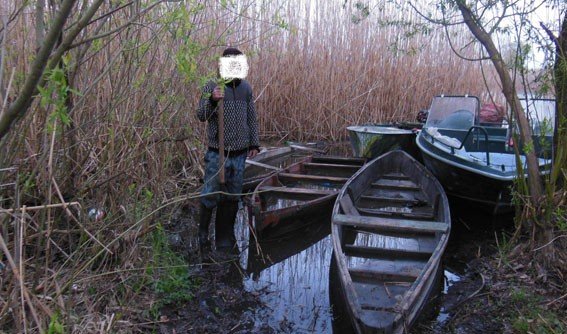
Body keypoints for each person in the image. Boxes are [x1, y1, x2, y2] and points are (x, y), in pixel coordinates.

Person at [196, 47, 260, 254]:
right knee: (210, 194)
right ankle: (202, 234)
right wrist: (212, 100)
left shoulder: (246, 88)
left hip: (240, 153)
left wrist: (254, 143)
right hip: (218, 153)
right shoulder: (212, 85)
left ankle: (225, 235)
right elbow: (201, 115)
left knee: (233, 196)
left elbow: (251, 118)